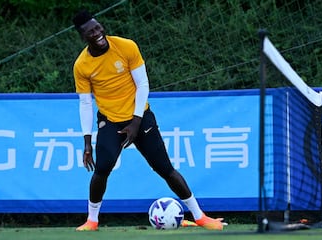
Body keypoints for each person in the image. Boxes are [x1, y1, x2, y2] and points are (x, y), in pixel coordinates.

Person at [72, 9, 225, 231]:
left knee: (165, 168)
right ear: (83, 37)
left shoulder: (126, 46)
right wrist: (87, 142)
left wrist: (136, 121)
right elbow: (85, 103)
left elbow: (142, 84)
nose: (97, 33)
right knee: (102, 168)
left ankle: (201, 217)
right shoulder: (81, 65)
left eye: (98, 27)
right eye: (90, 32)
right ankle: (92, 221)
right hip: (110, 121)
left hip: (140, 117)